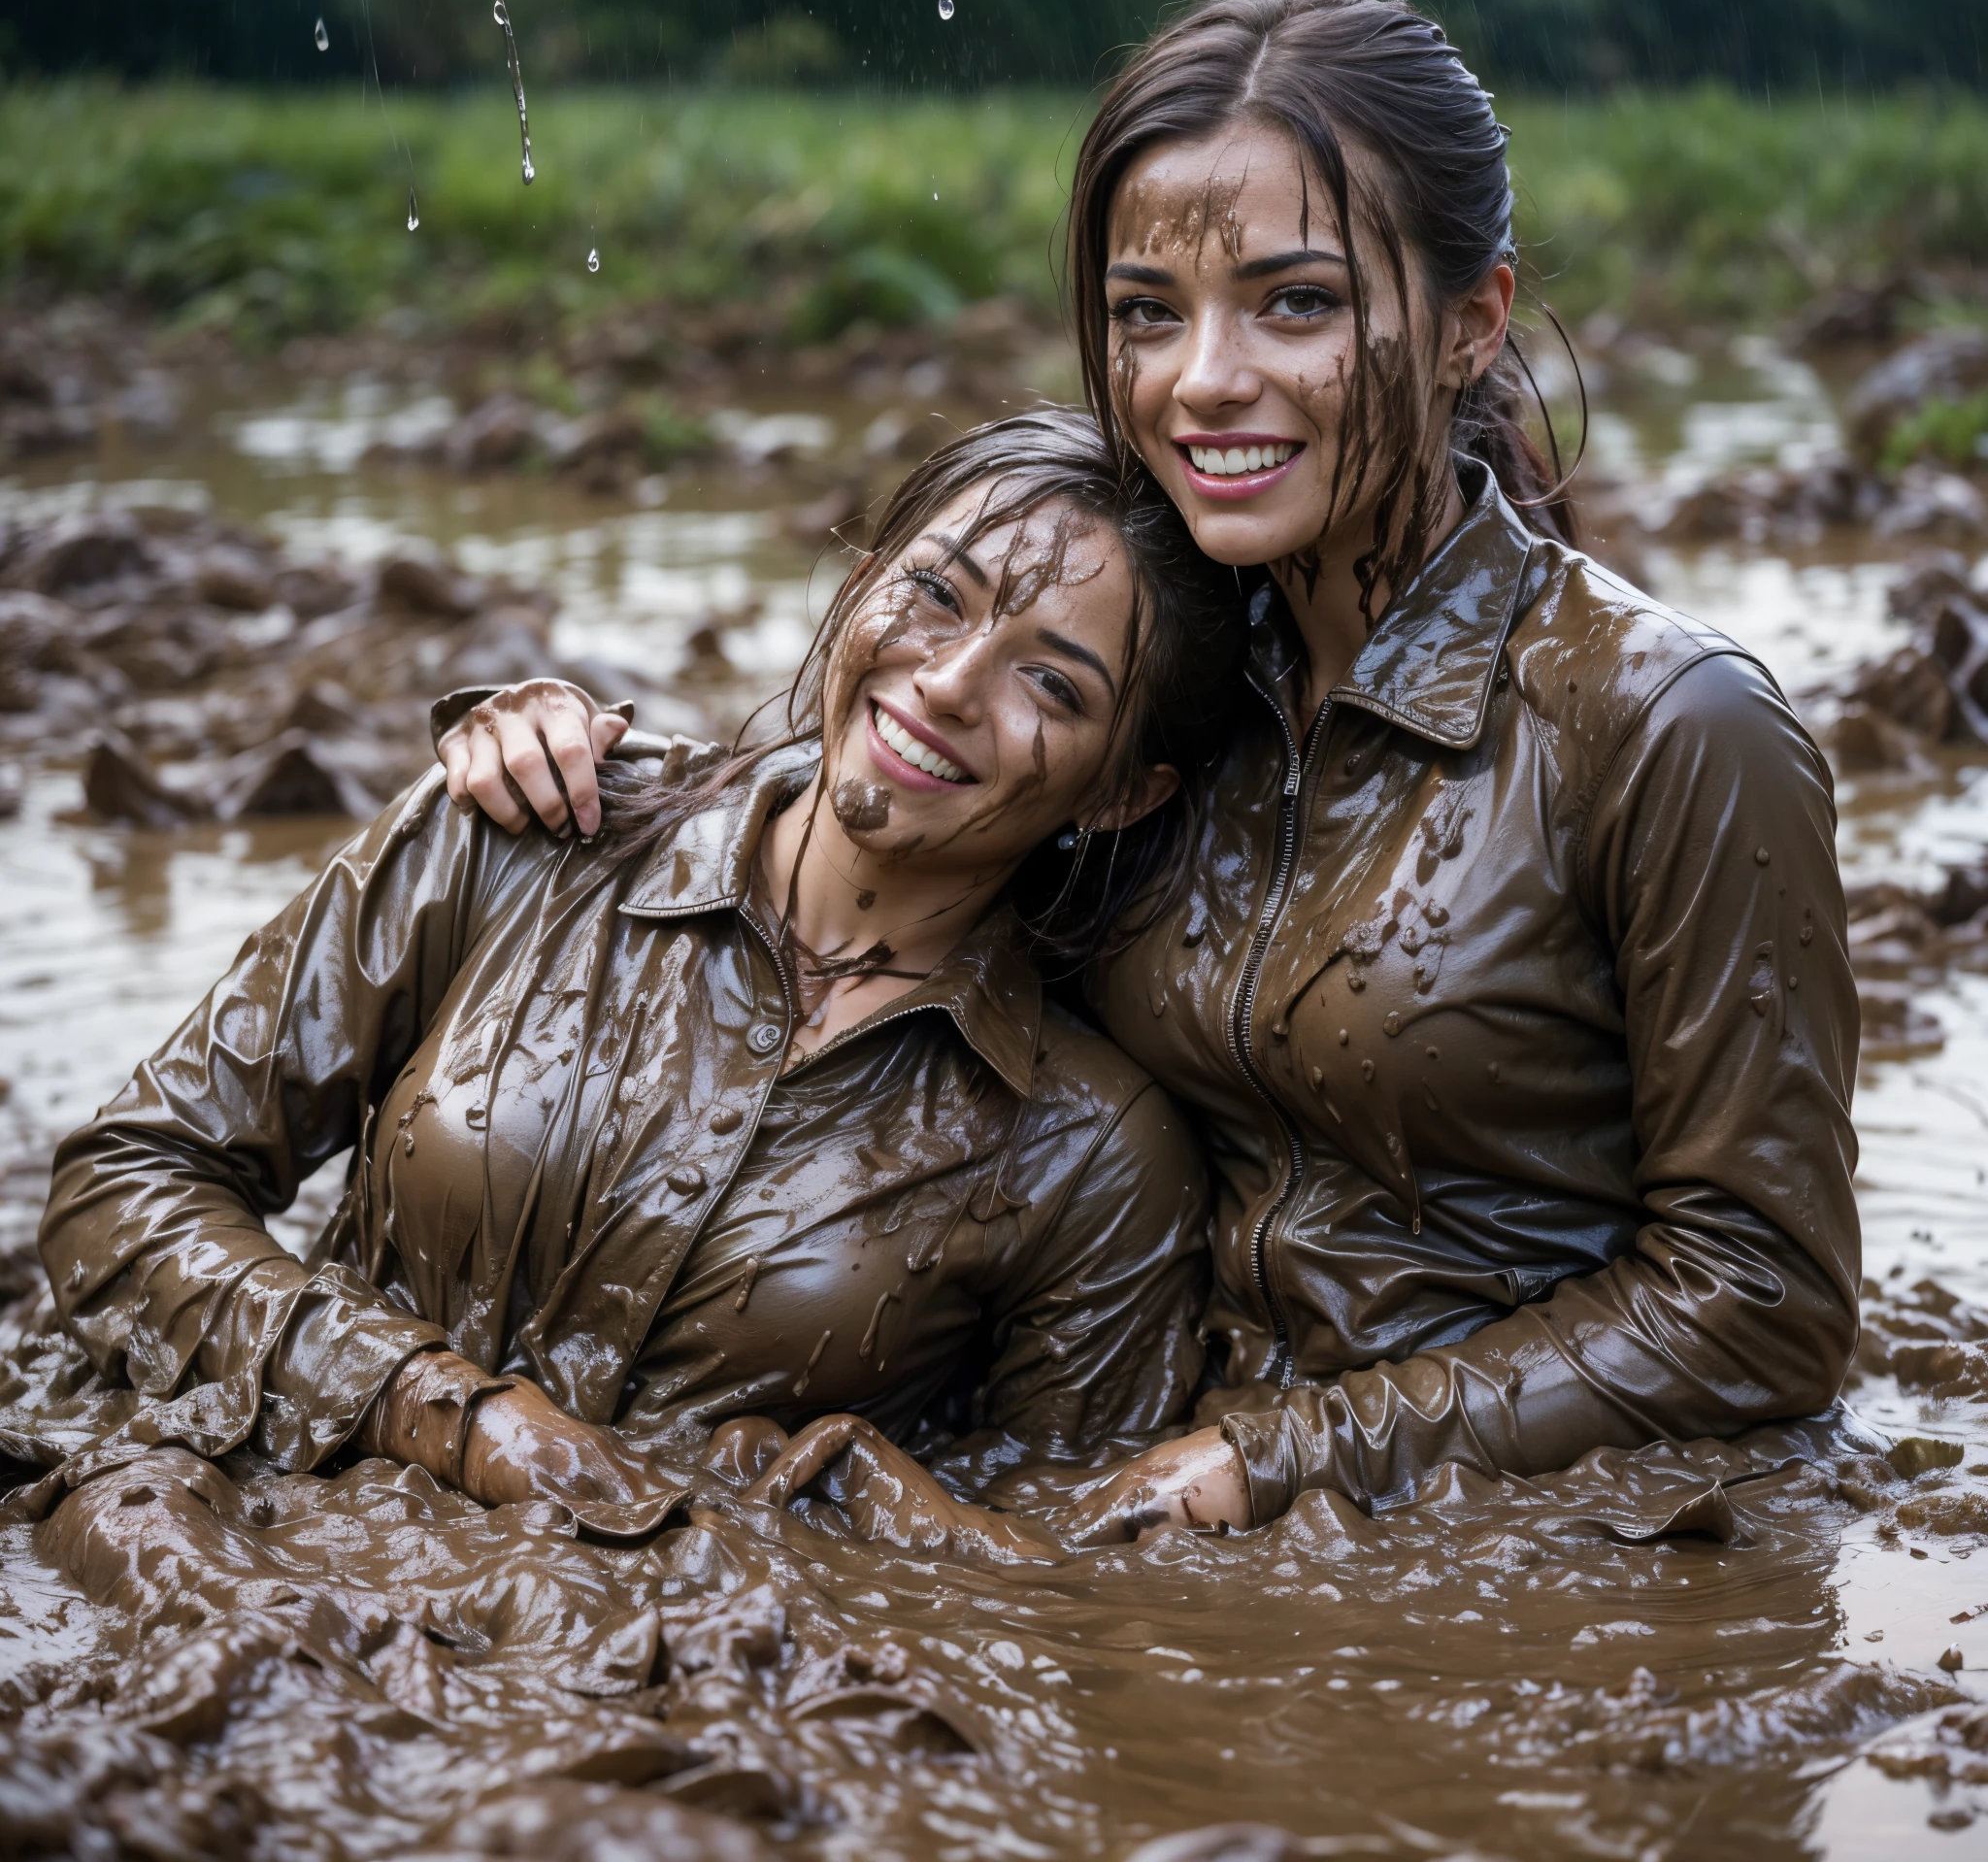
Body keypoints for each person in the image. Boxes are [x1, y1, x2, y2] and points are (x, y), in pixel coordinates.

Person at [451, 0, 1860, 1542]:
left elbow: (1762, 1300)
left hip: (1515, 1539)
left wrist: (1290, 1457)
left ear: (1471, 321)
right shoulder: (1164, 679)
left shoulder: (1668, 727)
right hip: (1119, 1470)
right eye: (1146, 313)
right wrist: (583, 750)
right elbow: (896, 770)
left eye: (1296, 303)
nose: (1200, 379)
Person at [39, 411, 1242, 1531]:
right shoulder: (517, 828)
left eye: (1049, 682)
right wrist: (444, 1414)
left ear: (1122, 786)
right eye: (934, 592)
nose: (944, 682)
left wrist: (837, 1496)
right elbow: (124, 1182)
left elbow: (1059, 1566)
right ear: (864, 572)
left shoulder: (1090, 1155)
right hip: (242, 1564)